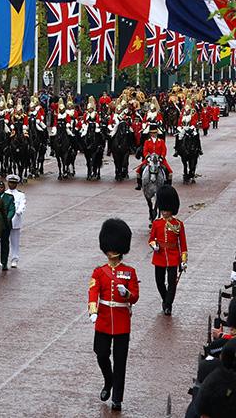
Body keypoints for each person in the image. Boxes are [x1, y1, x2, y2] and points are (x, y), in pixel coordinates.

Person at [88, 218, 139, 412]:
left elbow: (135, 297)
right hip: (102, 320)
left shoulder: (130, 272)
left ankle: (117, 398)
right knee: (101, 354)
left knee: (120, 361)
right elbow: (93, 292)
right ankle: (108, 381)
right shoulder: (99, 272)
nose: (111, 251)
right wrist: (93, 311)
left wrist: (127, 294)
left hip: (121, 322)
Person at [148, 185, 187, 316]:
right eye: (163, 209)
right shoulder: (156, 223)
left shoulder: (178, 224)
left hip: (173, 257)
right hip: (159, 257)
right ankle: (166, 300)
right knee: (159, 282)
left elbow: (183, 245)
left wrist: (183, 260)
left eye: (167, 210)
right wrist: (154, 245)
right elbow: (151, 239)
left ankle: (168, 306)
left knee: (172, 283)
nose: (164, 212)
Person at [135, 122, 173, 189]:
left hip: (160, 159)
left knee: (169, 172)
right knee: (138, 171)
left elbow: (164, 150)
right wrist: (148, 158)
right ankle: (139, 185)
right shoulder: (147, 141)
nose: (153, 134)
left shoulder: (161, 141)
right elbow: (145, 151)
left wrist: (161, 157)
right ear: (150, 133)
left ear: (157, 133)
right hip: (149, 159)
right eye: (152, 133)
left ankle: (168, 186)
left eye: (155, 133)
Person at [4, 174, 26, 268]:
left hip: (15, 220)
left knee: (15, 242)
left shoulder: (21, 195)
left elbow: (22, 205)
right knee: (4, 242)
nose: (12, 185)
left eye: (14, 183)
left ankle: (14, 259)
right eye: (10, 182)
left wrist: (18, 212)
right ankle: (3, 260)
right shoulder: (4, 193)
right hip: (5, 221)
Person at [0, 179, 16, 271]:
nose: (0, 189)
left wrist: (7, 218)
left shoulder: (9, 197)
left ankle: (4, 262)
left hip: (5, 224)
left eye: (2, 187)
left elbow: (12, 209)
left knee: (5, 244)